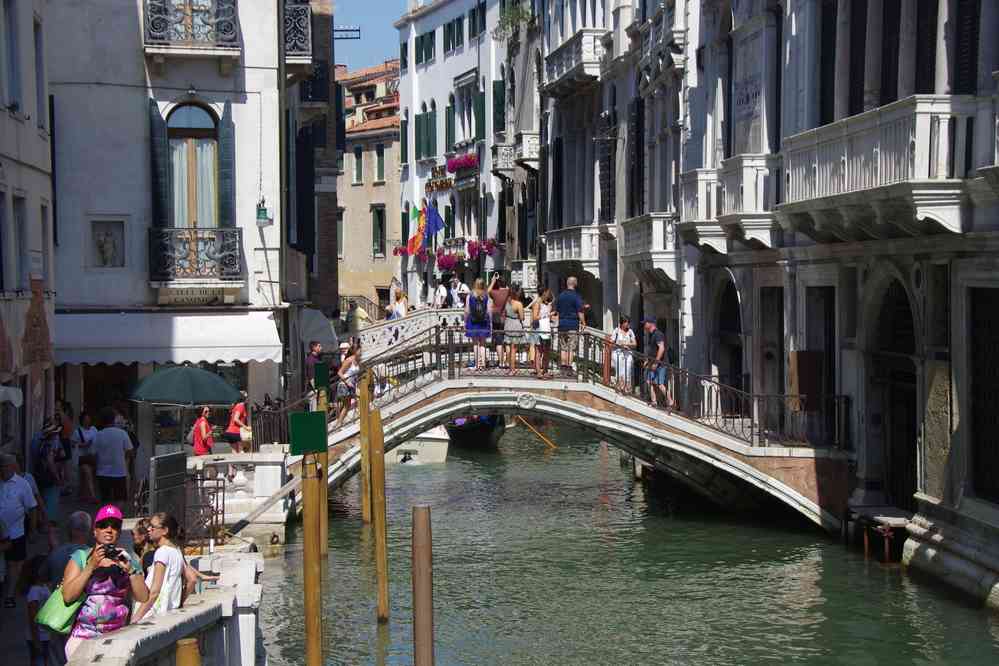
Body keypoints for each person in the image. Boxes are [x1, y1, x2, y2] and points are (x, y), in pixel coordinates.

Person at [61, 505, 148, 659]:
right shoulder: (80, 557)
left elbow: (143, 597)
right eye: (103, 525)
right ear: (95, 531)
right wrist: (91, 566)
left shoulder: (127, 558)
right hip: (83, 639)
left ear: (119, 532)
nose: (109, 530)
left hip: (116, 640)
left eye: (115, 526)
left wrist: (131, 571)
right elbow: (68, 596)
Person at [132, 512, 185, 622]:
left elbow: (154, 591)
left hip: (152, 614)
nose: (149, 529)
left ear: (165, 531)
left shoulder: (162, 552)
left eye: (153, 527)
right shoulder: (177, 551)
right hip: (167, 613)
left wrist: (136, 617)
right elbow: (191, 579)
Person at [1, 453, 37, 608]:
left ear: (11, 467)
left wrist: (33, 530)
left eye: (4, 467)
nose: (2, 471)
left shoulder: (23, 484)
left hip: (16, 532)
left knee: (13, 564)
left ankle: (9, 595)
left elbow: (32, 507)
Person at [94, 408, 133, 503]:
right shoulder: (122, 433)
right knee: (120, 499)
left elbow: (93, 453)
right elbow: (130, 450)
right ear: (113, 419)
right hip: (119, 472)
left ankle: (108, 516)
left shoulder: (98, 434)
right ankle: (116, 516)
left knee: (105, 500)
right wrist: (123, 458)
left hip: (102, 472)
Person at [31, 420, 63, 528]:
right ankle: (47, 523)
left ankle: (41, 521)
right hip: (47, 475)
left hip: (38, 473)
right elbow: (50, 462)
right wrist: (57, 477)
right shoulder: (48, 445)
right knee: (50, 498)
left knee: (42, 498)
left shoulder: (37, 440)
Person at [22, 554, 51, 665]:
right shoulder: (34, 591)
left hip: (44, 635)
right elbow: (32, 617)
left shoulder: (43, 587)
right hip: (38, 637)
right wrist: (36, 641)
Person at [555, 276, 586, 372]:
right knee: (571, 348)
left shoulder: (561, 295)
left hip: (562, 324)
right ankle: (568, 368)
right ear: (575, 284)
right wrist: (583, 322)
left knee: (563, 347)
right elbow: (580, 311)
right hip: (572, 324)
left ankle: (563, 367)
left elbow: (557, 311)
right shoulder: (576, 296)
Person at [642, 317, 673, 409]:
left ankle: (670, 401)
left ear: (650, 323)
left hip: (660, 364)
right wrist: (647, 360)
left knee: (660, 384)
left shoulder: (658, 334)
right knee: (649, 382)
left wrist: (656, 362)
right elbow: (652, 350)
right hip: (653, 363)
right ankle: (654, 401)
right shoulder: (651, 335)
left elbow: (661, 348)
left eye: (645, 323)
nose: (644, 325)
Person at [464, 278, 491, 371]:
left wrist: (465, 321)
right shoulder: (486, 296)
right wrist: (489, 321)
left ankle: (476, 365)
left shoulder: (470, 296)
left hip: (473, 322)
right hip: (483, 322)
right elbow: (488, 310)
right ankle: (483, 365)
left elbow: (467, 310)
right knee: (483, 343)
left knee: (475, 344)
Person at [72, 413, 98, 503]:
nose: (87, 421)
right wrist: (83, 445)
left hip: (93, 456)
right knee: (88, 473)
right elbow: (73, 444)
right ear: (82, 420)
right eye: (85, 419)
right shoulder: (77, 431)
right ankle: (92, 495)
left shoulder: (94, 429)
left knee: (85, 477)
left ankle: (82, 494)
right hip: (82, 457)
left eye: (88, 418)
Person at [528, 288, 554, 377]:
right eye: (547, 292)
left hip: (545, 329)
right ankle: (539, 371)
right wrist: (547, 314)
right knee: (538, 351)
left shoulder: (545, 303)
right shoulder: (537, 303)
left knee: (546, 351)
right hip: (538, 330)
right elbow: (535, 317)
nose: (548, 294)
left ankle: (545, 370)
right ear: (543, 293)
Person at [335, 344, 361, 428]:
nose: (361, 352)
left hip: (352, 385)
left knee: (347, 405)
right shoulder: (349, 360)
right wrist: (347, 382)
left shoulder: (357, 360)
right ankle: (339, 423)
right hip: (345, 385)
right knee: (347, 405)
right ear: (355, 351)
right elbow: (339, 372)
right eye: (359, 350)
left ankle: (339, 422)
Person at [488, 273, 510, 368]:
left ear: (498, 283)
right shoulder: (509, 292)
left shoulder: (495, 292)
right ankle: (508, 362)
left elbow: (488, 291)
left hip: (496, 318)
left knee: (499, 341)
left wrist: (493, 281)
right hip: (506, 318)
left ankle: (501, 362)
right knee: (508, 342)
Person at [611, 316, 637, 392]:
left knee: (627, 370)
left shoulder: (630, 332)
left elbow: (635, 344)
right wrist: (619, 344)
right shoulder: (616, 331)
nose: (628, 324)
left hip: (628, 354)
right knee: (620, 371)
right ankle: (620, 387)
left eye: (629, 322)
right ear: (622, 323)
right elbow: (611, 343)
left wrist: (626, 344)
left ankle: (626, 388)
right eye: (626, 323)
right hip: (618, 353)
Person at [504, 286, 527, 375]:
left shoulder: (507, 302)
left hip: (508, 324)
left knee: (508, 348)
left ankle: (510, 367)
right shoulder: (518, 304)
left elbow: (505, 313)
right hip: (516, 325)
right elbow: (522, 317)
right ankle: (513, 369)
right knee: (514, 349)